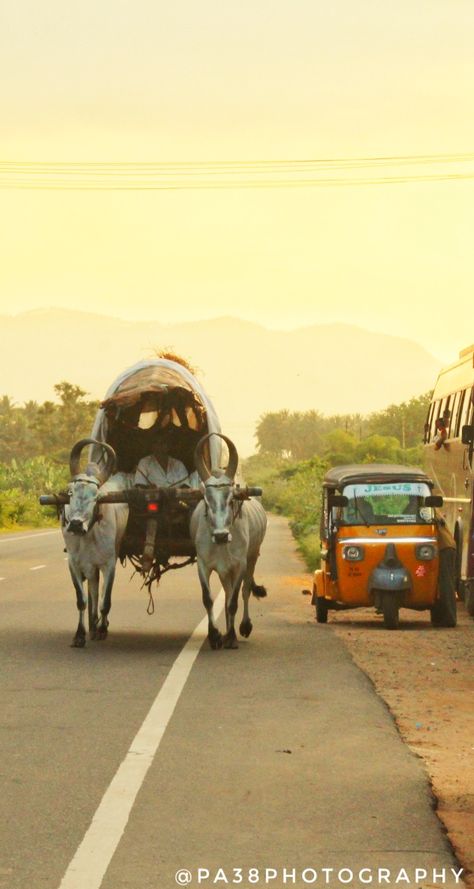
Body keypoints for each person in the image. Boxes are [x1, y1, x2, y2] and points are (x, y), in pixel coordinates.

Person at [134, 434, 200, 488]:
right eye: (156, 443)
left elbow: (186, 486)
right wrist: (149, 489)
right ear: (152, 446)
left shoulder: (178, 464)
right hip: (153, 502)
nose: (159, 447)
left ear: (168, 446)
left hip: (177, 502)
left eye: (163, 443)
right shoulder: (144, 462)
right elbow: (139, 485)